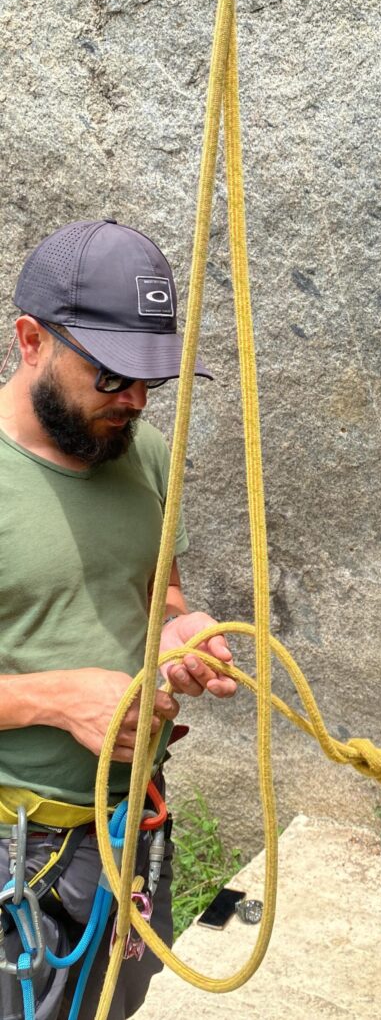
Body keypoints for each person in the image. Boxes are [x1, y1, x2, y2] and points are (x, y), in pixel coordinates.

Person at [0, 218, 237, 1020]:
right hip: (15, 853)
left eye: (152, 381)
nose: (135, 401)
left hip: (125, 835)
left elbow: (154, 591)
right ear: (31, 340)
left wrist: (175, 630)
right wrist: (54, 699)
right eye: (111, 377)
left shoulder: (143, 453)